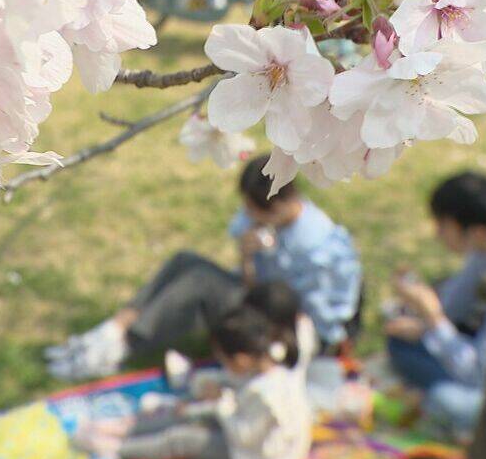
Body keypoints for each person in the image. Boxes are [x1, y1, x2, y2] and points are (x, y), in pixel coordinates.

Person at [46, 154, 362, 380]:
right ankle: (113, 331)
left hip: (288, 327)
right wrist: (247, 256)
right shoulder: (266, 220)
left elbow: (317, 317)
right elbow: (251, 279)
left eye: (253, 211)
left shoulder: (319, 248)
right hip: (259, 298)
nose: (247, 217)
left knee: (200, 283)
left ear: (278, 206)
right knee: (186, 260)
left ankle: (121, 347)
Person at [73, 295, 317, 459]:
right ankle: (124, 428)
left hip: (258, 456)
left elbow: (243, 435)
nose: (224, 366)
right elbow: (233, 396)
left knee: (184, 439)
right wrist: (211, 399)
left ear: (242, 359)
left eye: (224, 360)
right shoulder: (267, 364)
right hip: (245, 427)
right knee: (186, 412)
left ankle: (117, 449)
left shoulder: (265, 394)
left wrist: (220, 404)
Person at [384, 171, 486, 440]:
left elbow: (478, 374)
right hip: (474, 343)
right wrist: (424, 322)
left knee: (445, 400)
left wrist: (433, 319)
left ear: (477, 232)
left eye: (442, 225)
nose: (437, 234)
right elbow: (455, 303)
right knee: (400, 339)